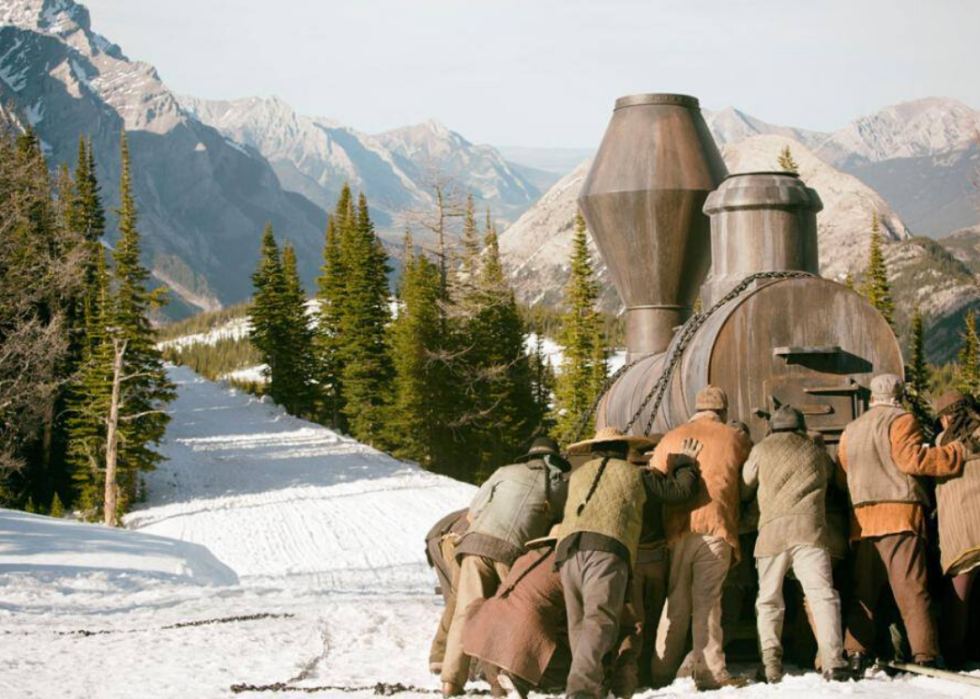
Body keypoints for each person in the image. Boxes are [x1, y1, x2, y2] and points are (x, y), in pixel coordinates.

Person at [555, 427, 702, 699]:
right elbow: (680, 492)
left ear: (594, 451)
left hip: (566, 551)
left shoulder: (577, 476)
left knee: (579, 623)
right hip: (606, 550)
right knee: (600, 620)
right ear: (625, 451)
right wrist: (685, 462)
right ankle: (581, 690)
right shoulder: (635, 475)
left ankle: (593, 685)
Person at [837, 374, 964, 673]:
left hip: (863, 522)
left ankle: (855, 652)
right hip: (899, 516)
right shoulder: (902, 420)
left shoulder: (851, 429)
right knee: (911, 589)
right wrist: (953, 454)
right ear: (899, 396)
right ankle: (925, 655)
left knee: (864, 592)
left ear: (872, 398)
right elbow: (912, 460)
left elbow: (843, 477)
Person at [441, 436, 570, 696]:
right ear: (554, 459)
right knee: (509, 612)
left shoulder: (504, 472)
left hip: (476, 545)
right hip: (513, 554)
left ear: (530, 456)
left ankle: (451, 682)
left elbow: (473, 513)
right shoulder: (559, 486)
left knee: (465, 612)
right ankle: (503, 679)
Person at [649, 385, 752, 691]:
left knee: (676, 601)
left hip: (677, 529)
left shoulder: (671, 437)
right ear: (723, 411)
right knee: (709, 600)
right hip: (717, 526)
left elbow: (653, 478)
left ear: (696, 408)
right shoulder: (734, 438)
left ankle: (660, 669)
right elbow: (750, 477)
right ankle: (710, 672)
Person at [740, 406, 849, 683]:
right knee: (822, 595)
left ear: (773, 427)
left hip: (772, 532)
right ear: (800, 426)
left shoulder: (761, 449)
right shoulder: (816, 451)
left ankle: (770, 664)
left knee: (769, 599)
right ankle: (833, 661)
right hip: (810, 531)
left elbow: (745, 484)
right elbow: (831, 477)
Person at [623, 444, 701, 689]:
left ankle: (631, 675)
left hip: (631, 559)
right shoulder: (648, 480)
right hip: (656, 558)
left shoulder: (617, 481)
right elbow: (682, 492)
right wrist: (685, 463)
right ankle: (651, 671)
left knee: (634, 620)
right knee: (655, 616)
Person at [931, 391, 980, 669]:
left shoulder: (944, 443)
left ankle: (955, 656)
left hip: (963, 533)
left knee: (958, 597)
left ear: (947, 417)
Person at [426, 508, 469, 674]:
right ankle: (443, 655)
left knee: (457, 596)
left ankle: (444, 655)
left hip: (444, 539)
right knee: (460, 596)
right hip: (454, 541)